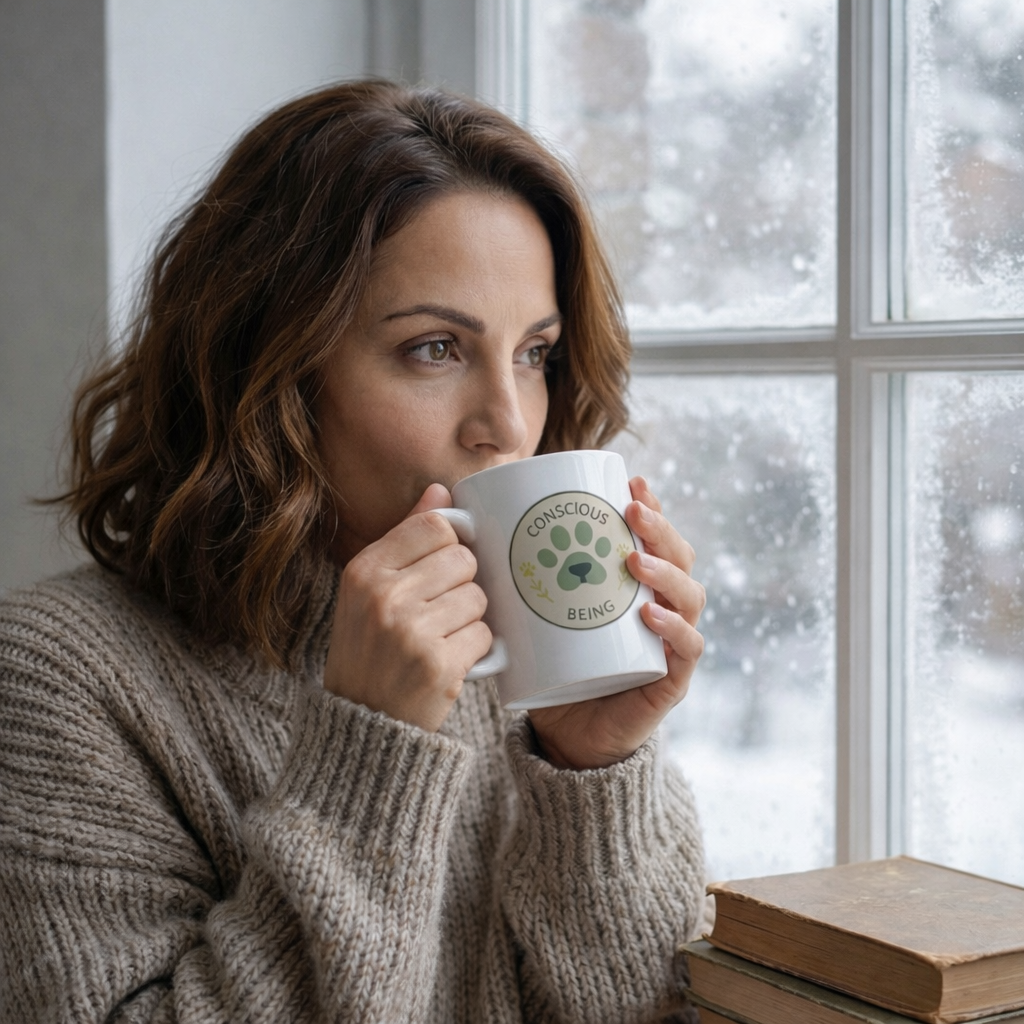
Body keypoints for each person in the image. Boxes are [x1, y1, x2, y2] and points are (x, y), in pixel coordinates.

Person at [0, 80, 707, 1022]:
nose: (508, 423)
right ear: (269, 368)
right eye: (435, 349)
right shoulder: (55, 679)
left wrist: (592, 770)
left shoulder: (526, 656)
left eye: (534, 353)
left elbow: (653, 1011)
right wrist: (369, 753)